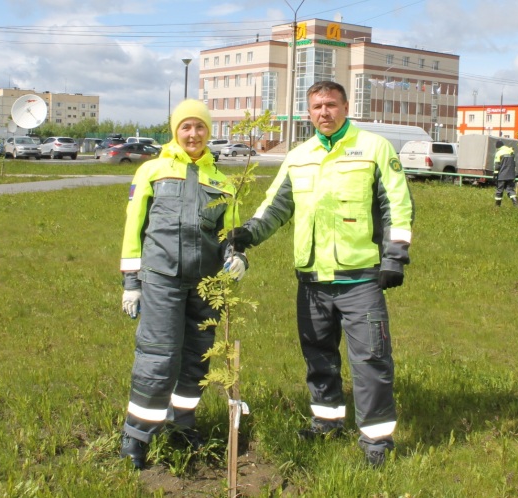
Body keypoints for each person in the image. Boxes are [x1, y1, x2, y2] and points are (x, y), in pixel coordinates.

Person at [228, 81, 414, 467]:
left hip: (360, 279)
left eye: (331, 105)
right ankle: (327, 422)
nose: (324, 112)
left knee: (371, 361)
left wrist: (394, 257)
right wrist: (247, 234)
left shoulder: (374, 149)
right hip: (312, 283)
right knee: (319, 359)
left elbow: (397, 205)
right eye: (316, 106)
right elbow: (274, 208)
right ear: (308, 112)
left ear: (346, 107)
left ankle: (376, 442)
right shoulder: (299, 156)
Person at [118, 99, 248, 469]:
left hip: (206, 285)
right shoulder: (153, 171)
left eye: (200, 127)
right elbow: (134, 227)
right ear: (175, 131)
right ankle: (138, 433)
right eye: (186, 127)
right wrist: (132, 281)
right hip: (161, 279)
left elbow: (230, 235)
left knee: (196, 359)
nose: (193, 134)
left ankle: (182, 423)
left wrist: (237, 257)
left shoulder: (223, 182)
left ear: (210, 131)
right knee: (158, 357)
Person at [493, 140, 518, 207]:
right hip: (511, 175)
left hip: (502, 175)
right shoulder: (511, 152)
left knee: (499, 190)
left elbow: (497, 165)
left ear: (498, 147)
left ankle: (497, 206)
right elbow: (514, 164)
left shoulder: (499, 153)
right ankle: (516, 203)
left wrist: (495, 174)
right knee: (510, 189)